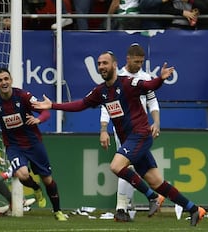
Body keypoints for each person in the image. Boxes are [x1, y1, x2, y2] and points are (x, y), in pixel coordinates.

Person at [32, 51, 206, 226]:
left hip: (140, 134)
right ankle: (194, 209)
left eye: (105, 63)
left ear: (114, 65)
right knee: (156, 181)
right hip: (129, 139)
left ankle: (152, 197)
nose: (101, 67)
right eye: (99, 63)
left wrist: (161, 78)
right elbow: (80, 104)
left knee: (116, 166)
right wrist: (53, 105)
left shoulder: (128, 83)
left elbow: (149, 85)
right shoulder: (101, 91)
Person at [0, 68, 67, 221]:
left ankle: (57, 211)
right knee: (22, 174)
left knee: (47, 179)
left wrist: (40, 119)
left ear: (11, 80)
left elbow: (45, 111)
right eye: (0, 80)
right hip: (13, 146)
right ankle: (35, 188)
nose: (4, 82)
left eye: (6, 79)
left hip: (33, 143)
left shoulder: (23, 96)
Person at [99, 44, 160, 222]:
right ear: (127, 59)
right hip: (123, 130)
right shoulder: (118, 78)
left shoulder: (145, 78)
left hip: (140, 130)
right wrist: (104, 129)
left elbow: (153, 103)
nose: (139, 65)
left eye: (141, 62)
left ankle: (127, 206)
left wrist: (156, 122)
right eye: (136, 61)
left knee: (129, 168)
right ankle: (125, 207)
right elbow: (106, 107)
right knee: (126, 167)